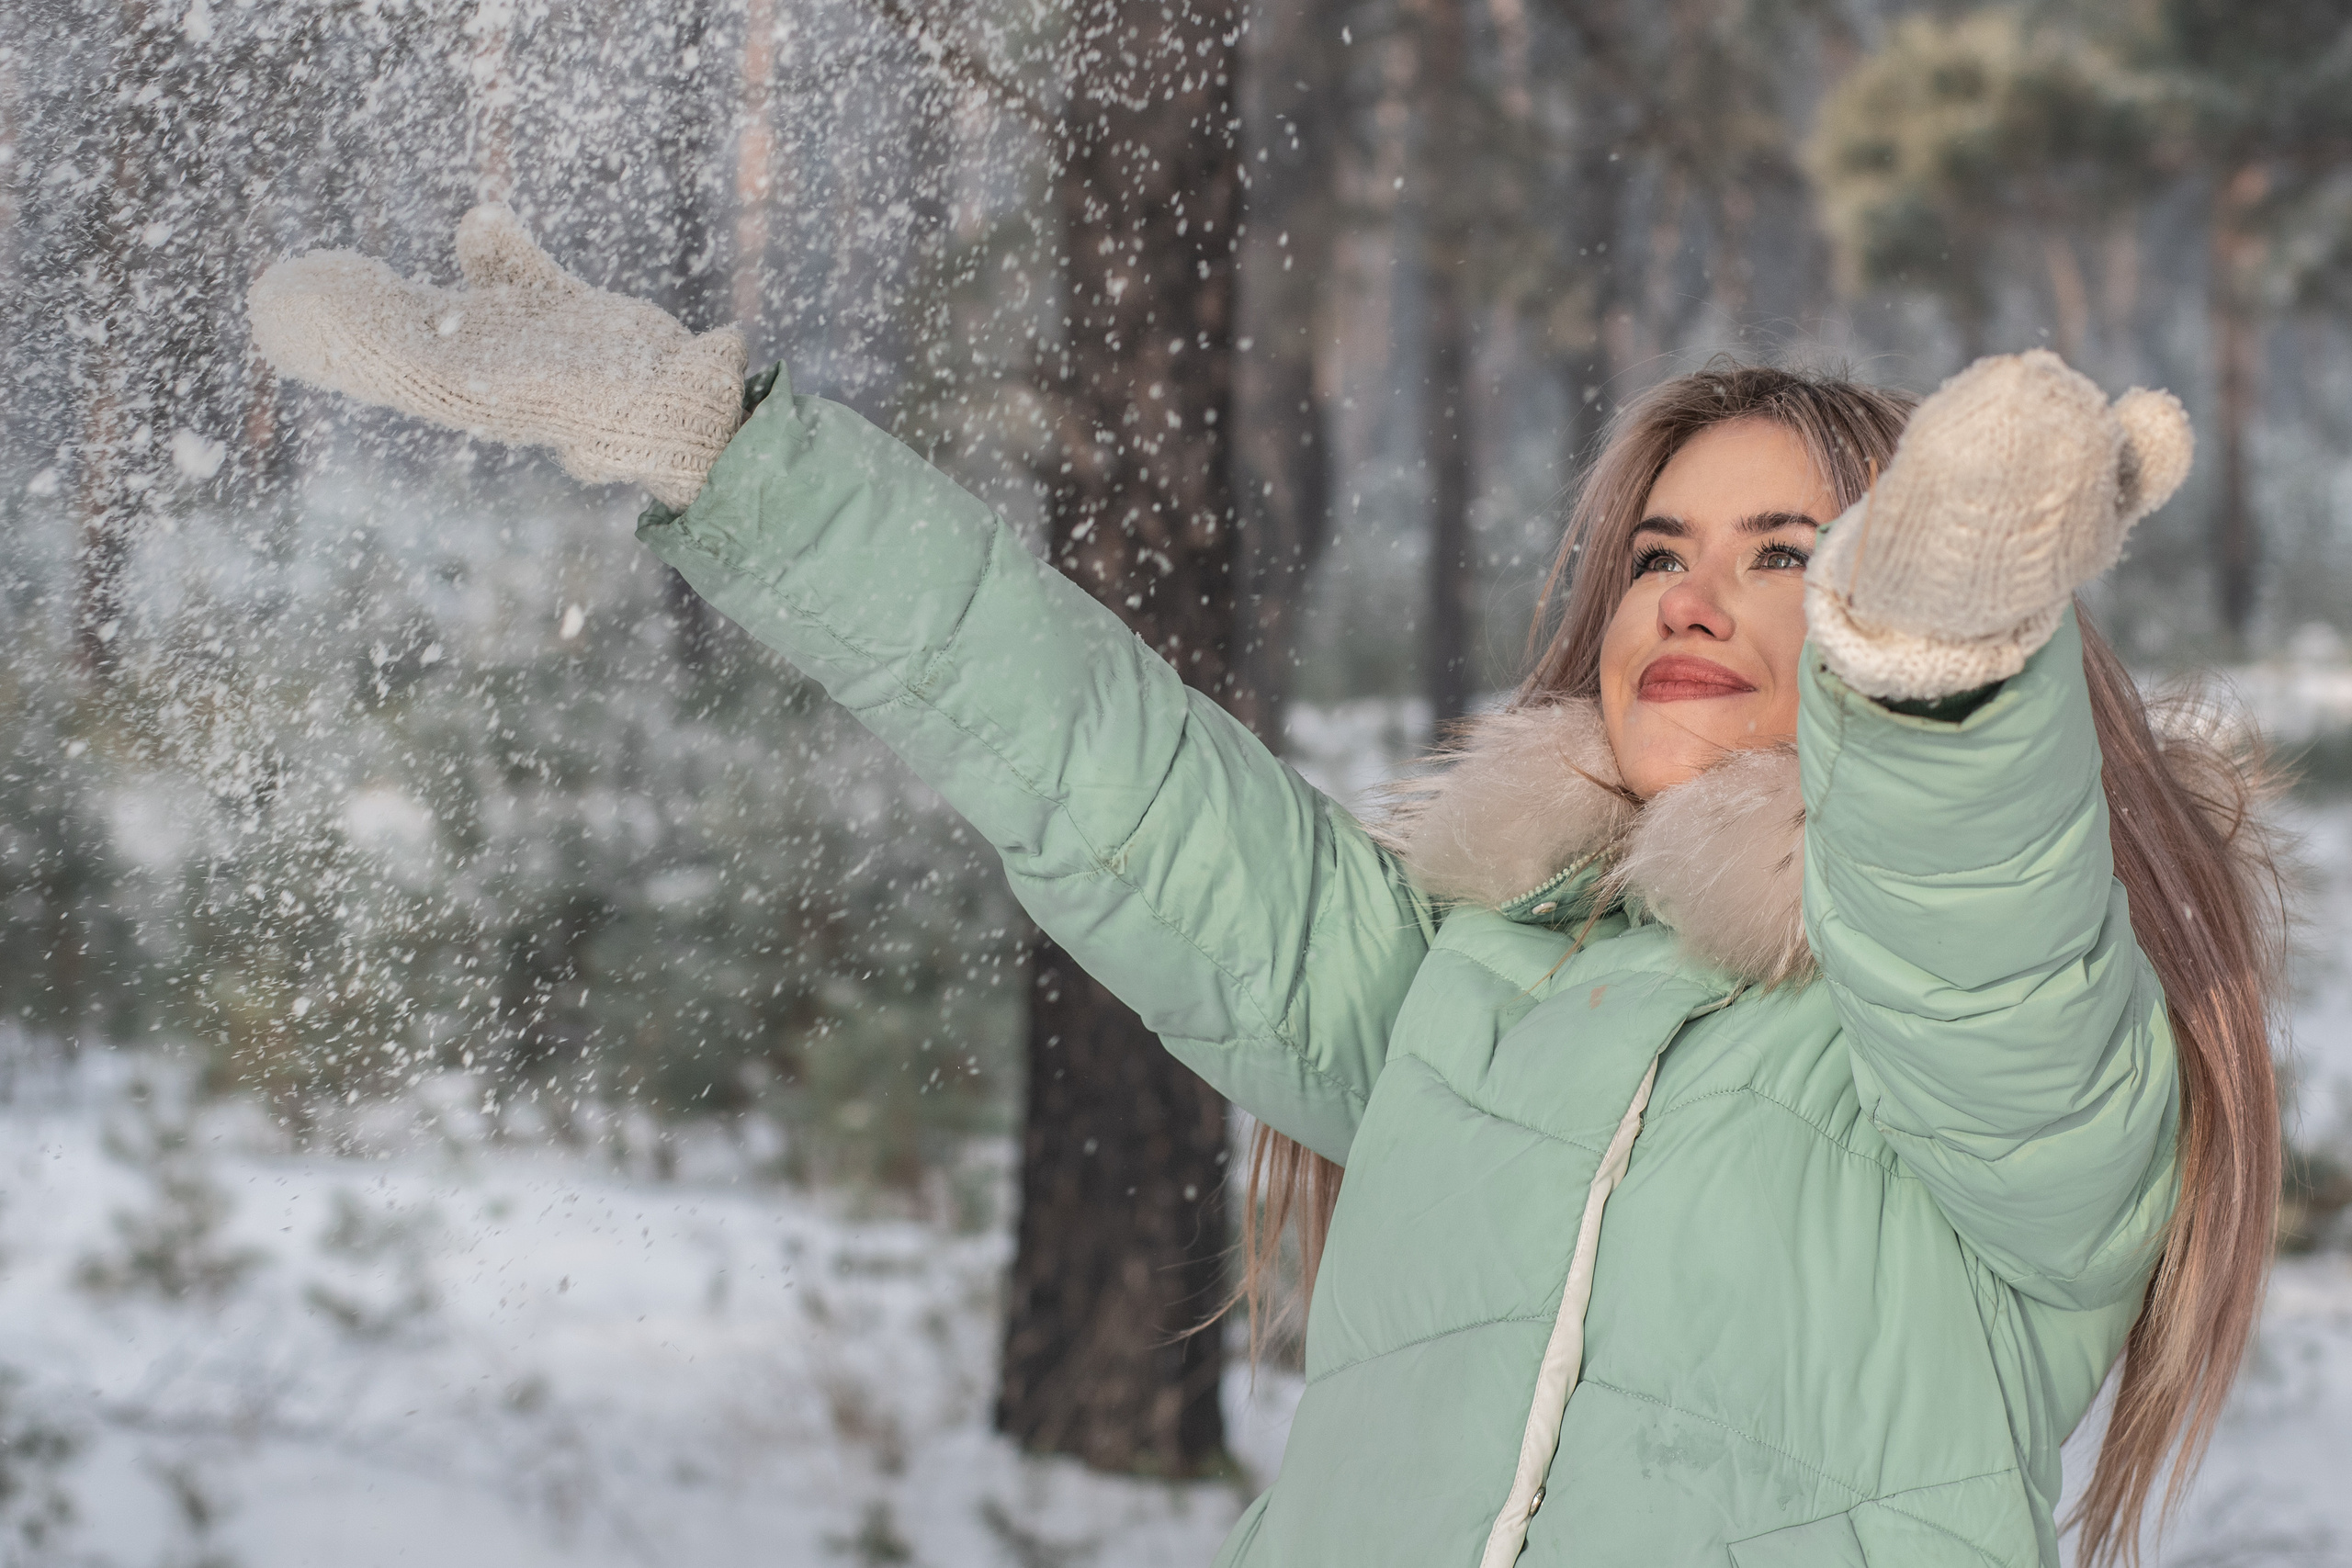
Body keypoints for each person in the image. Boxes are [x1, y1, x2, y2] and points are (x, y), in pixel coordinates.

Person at [248, 206, 2284, 1568]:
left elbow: (1978, 938)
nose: (1692, 592)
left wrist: (1929, 681)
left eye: (1791, 553)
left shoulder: (2024, 1094)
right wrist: (723, 449)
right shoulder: (1467, 993)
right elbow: (1094, 765)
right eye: (1659, 545)